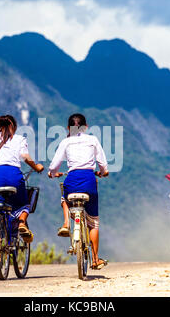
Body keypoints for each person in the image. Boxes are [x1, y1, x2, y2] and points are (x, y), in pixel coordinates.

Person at [0, 115, 43, 270]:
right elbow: (25, 157)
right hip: (14, 176)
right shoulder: (20, 139)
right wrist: (36, 167)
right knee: (23, 203)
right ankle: (21, 223)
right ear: (13, 126)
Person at [48, 113, 109, 270]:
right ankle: (95, 259)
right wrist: (103, 172)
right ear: (86, 127)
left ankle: (67, 223)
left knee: (65, 197)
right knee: (93, 223)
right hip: (89, 181)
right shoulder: (93, 140)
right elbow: (103, 164)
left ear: (68, 128)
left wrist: (52, 173)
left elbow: (54, 165)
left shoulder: (65, 142)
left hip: (72, 180)